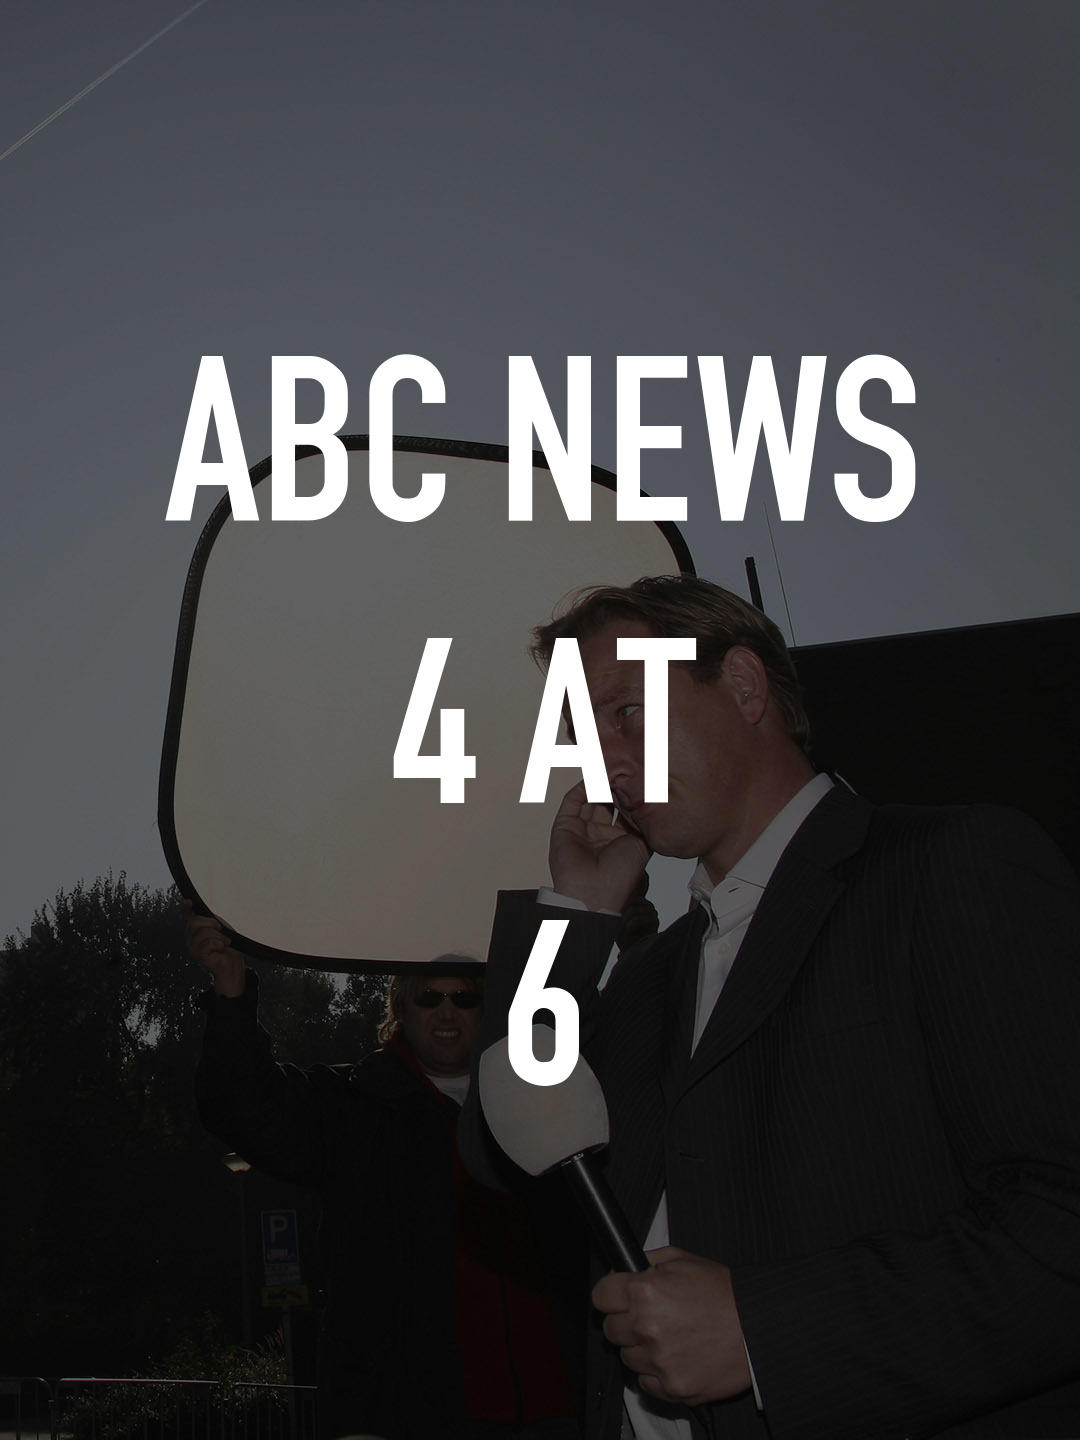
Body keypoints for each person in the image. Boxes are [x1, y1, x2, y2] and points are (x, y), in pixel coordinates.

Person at [462, 575, 1080, 1440]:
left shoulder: (949, 867)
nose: (605, 762)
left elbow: (1060, 1225)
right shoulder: (649, 975)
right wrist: (576, 915)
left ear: (745, 686)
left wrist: (763, 1332)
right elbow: (503, 1149)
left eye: (625, 712)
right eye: (585, 736)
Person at [189, 908, 585, 1440]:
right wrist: (231, 989)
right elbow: (242, 1107)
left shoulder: (544, 1104)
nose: (446, 1012)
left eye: (464, 998)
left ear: (488, 1009)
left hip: (555, 1408)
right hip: (407, 1414)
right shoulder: (355, 1106)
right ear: (400, 1007)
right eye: (429, 997)